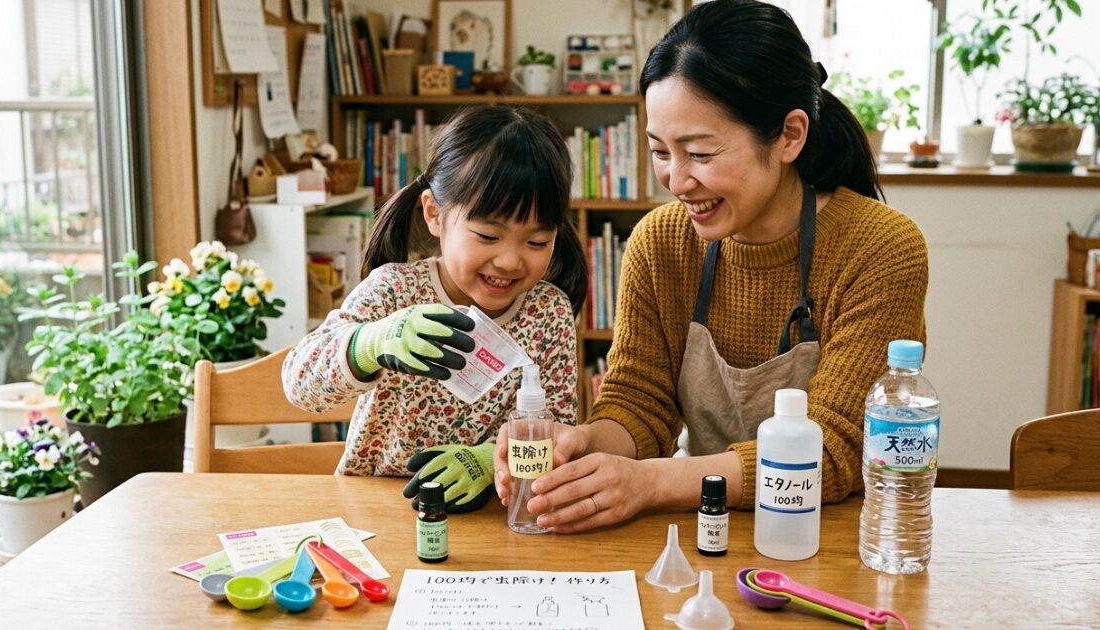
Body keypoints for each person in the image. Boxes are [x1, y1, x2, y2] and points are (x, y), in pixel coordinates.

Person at [493, 0, 928, 532]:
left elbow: (837, 447)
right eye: (660, 152)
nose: (677, 181)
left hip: (830, 533)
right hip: (704, 522)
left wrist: (651, 483)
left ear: (789, 135)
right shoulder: (661, 242)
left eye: (699, 153)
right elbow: (640, 402)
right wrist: (581, 442)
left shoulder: (880, 247)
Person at [282, 105, 586, 513]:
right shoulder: (394, 290)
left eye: (536, 242)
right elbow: (300, 384)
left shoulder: (548, 312)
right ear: (434, 215)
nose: (511, 261)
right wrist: (370, 342)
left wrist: (486, 459)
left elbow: (559, 430)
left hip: (494, 514)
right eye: (487, 235)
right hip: (379, 506)